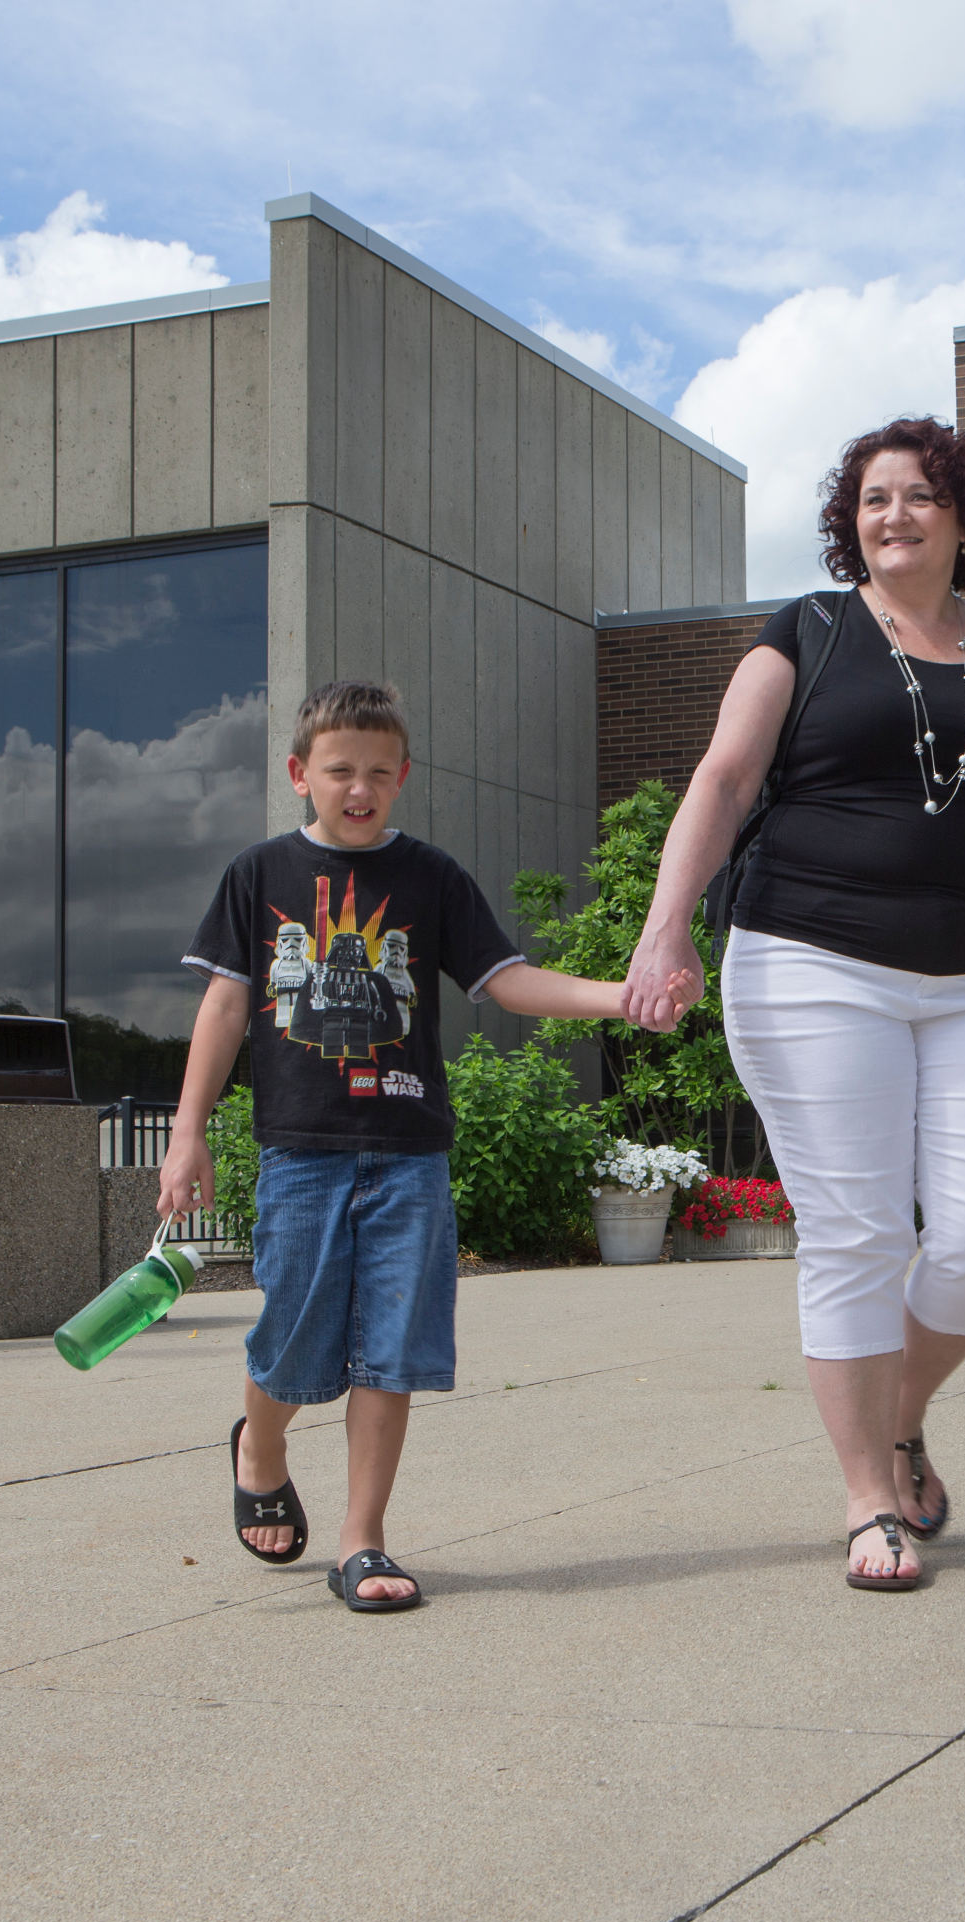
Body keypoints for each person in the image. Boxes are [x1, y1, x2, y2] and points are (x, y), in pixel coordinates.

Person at [620, 417, 965, 1591]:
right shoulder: (809, 631)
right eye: (875, 498)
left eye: (921, 495)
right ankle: (867, 1499)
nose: (895, 515)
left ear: (963, 517)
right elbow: (724, 778)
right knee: (860, 1230)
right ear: (851, 521)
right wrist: (666, 919)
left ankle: (897, 1410)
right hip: (809, 962)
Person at [158, 680, 651, 1612]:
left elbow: (506, 981)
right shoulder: (258, 875)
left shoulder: (429, 877)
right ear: (301, 773)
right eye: (341, 771)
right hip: (299, 1152)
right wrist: (189, 1135)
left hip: (409, 1150)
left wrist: (619, 996)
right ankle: (260, 1443)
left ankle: (363, 1542)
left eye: (380, 774)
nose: (360, 788)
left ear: (404, 777)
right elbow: (224, 1008)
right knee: (295, 1336)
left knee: (393, 1346)